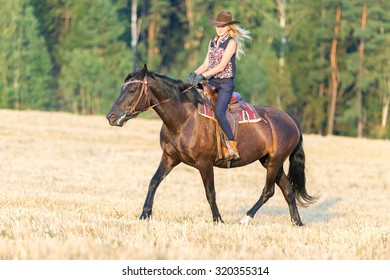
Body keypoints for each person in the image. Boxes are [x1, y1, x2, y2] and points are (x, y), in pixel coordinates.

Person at [187, 11, 252, 160]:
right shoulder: (212, 41)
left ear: (229, 27)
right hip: (212, 82)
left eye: (222, 26)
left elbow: (222, 66)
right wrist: (193, 74)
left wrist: (202, 76)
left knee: (219, 112)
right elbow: (206, 64)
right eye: (218, 25)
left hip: (225, 84)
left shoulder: (231, 43)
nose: (219, 28)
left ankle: (232, 144)